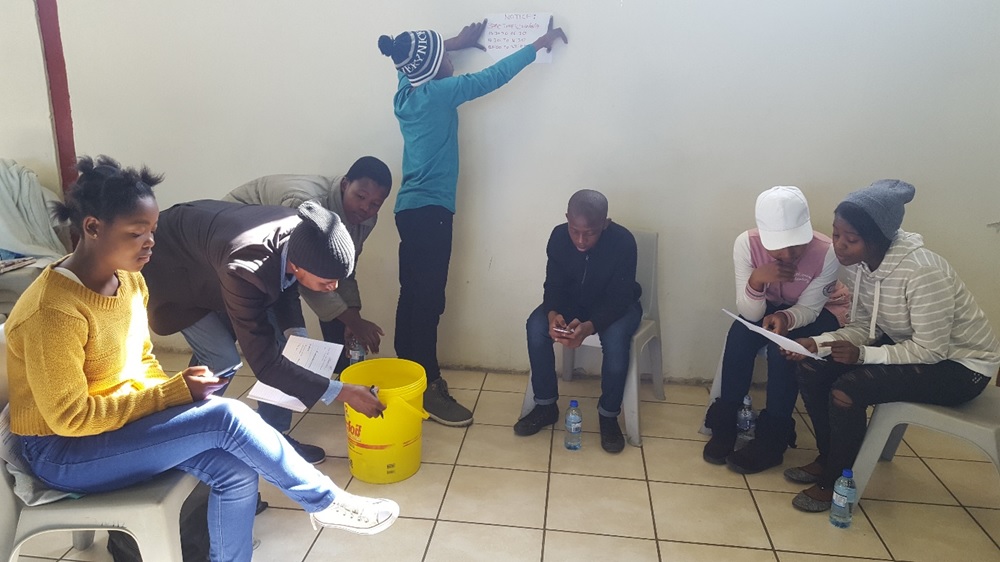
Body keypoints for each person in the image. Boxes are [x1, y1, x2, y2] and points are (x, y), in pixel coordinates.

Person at [4, 156, 398, 562]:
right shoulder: (53, 310)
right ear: (92, 228)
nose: (152, 244)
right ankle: (325, 501)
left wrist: (175, 395)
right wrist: (170, 396)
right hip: (62, 453)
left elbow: (141, 361)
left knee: (236, 468)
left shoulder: (128, 281)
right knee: (225, 417)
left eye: (153, 231)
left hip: (111, 430)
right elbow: (69, 418)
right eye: (138, 233)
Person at [378, 18, 568, 426]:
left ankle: (406, 377)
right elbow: (493, 76)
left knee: (411, 297)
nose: (451, 60)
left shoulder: (405, 95)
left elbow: (406, 61)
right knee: (428, 303)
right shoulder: (442, 93)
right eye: (446, 56)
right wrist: (539, 42)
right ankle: (428, 387)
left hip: (407, 211)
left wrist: (456, 42)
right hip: (432, 214)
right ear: (435, 69)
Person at [781, 179, 1000, 512]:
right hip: (908, 346)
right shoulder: (863, 267)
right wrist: (818, 343)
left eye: (850, 239)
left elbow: (931, 350)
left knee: (848, 388)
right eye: (836, 235)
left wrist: (865, 355)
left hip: (962, 367)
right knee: (812, 367)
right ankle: (828, 459)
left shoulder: (923, 272)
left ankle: (838, 480)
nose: (838, 246)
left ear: (877, 239)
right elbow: (864, 327)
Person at [141, 197, 375, 465]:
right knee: (222, 358)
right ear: (299, 265)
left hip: (211, 254)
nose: (333, 288)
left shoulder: (301, 233)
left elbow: (286, 284)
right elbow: (264, 364)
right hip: (172, 268)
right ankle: (178, 437)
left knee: (280, 347)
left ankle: (271, 437)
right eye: (326, 281)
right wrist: (342, 391)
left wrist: (295, 333)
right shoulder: (247, 270)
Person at [703, 186, 850, 474]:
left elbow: (809, 308)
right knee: (739, 334)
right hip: (767, 305)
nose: (788, 254)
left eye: (796, 244)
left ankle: (773, 439)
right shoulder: (747, 244)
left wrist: (786, 319)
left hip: (822, 310)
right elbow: (750, 313)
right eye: (778, 246)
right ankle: (726, 423)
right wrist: (757, 280)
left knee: (783, 347)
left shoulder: (827, 253)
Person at [223, 156, 392, 372]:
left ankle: (338, 374)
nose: (365, 208)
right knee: (273, 339)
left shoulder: (364, 219)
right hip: (237, 235)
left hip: (276, 252)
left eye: (375, 204)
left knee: (313, 318)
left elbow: (342, 270)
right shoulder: (306, 206)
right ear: (344, 184)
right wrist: (354, 321)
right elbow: (307, 272)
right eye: (360, 196)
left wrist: (353, 317)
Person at [514, 190, 641, 453]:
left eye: (590, 232)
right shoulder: (559, 236)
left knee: (616, 341)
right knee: (536, 326)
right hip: (573, 303)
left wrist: (589, 327)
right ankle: (546, 405)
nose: (581, 240)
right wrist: (552, 314)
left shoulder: (623, 242)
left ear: (605, 224)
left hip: (616, 307)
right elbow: (553, 285)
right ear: (567, 220)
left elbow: (620, 298)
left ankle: (608, 415)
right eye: (575, 230)